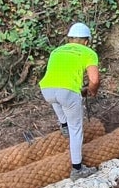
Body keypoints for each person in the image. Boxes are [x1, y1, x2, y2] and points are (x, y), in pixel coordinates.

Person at [39, 22, 101, 179]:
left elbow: (58, 78)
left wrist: (78, 91)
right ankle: (77, 169)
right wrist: (92, 91)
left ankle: (63, 125)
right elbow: (94, 80)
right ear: (86, 41)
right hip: (66, 93)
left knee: (57, 99)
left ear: (69, 39)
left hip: (46, 89)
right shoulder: (88, 52)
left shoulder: (56, 51)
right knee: (76, 129)